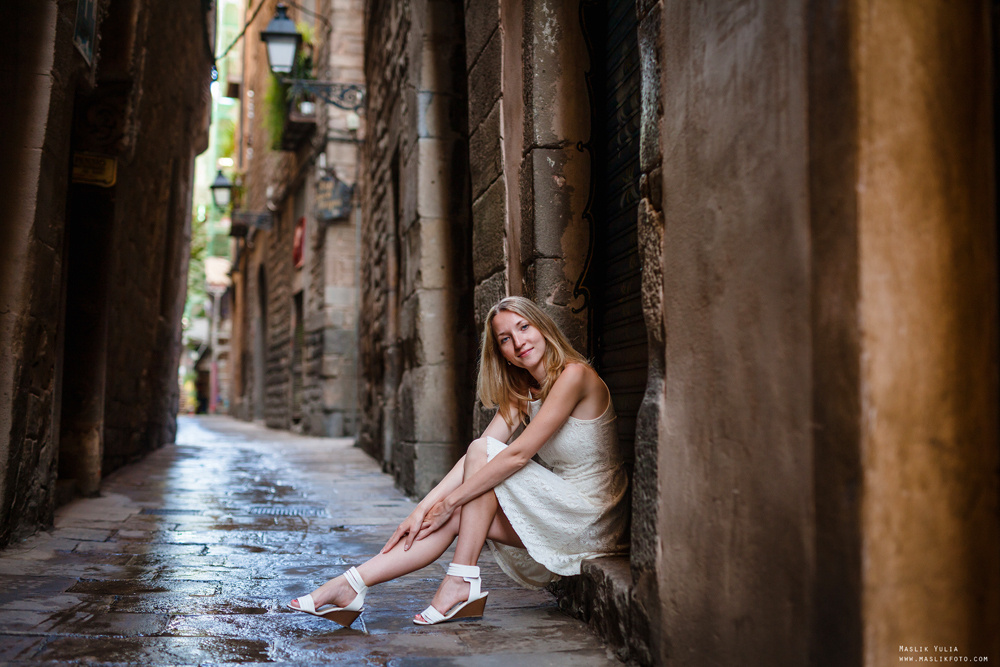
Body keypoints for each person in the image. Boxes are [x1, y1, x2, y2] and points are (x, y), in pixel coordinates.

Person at [288, 296, 629, 626]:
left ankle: (461, 579)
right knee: (460, 500)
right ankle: (352, 584)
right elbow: (474, 456)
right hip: (561, 512)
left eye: (524, 327)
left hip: (593, 515)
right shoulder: (523, 392)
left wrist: (450, 501)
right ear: (503, 355)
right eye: (506, 339)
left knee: (475, 471)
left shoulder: (575, 375)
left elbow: (516, 455)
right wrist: (422, 508)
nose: (519, 342)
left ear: (543, 328)